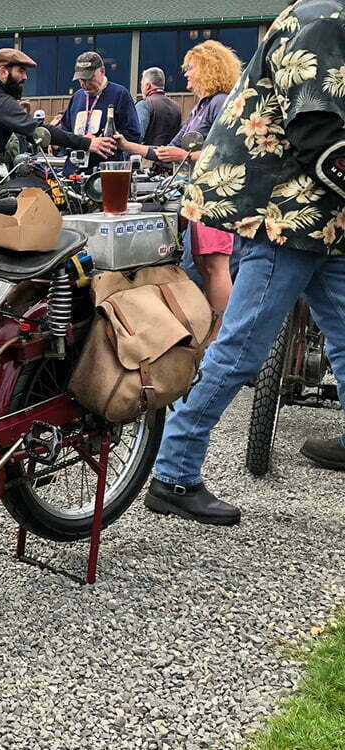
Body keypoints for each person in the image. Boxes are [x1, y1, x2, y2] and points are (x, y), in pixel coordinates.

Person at [145, 0, 345, 522]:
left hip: (321, 217)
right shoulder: (326, 22)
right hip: (285, 213)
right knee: (239, 351)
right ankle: (173, 475)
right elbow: (320, 136)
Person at [113, 41, 242, 314]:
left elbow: (231, 154)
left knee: (215, 265)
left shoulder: (219, 103)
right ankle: (211, 332)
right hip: (199, 195)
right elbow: (165, 151)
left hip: (217, 197)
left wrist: (184, 156)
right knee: (202, 261)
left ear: (209, 69)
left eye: (191, 69)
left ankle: (220, 334)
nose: (186, 75)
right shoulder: (199, 108)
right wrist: (127, 145)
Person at [0, 49, 115, 190]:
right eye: (21, 71)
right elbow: (37, 130)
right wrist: (87, 143)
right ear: (3, 72)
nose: (25, 77)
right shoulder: (0, 100)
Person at [59, 51, 139, 175]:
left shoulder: (119, 94)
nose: (85, 84)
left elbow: (133, 135)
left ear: (102, 71)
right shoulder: (76, 97)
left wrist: (100, 141)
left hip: (105, 173)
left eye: (90, 78)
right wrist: (73, 143)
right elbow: (65, 132)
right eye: (81, 79)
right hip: (73, 172)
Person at [135, 66, 181, 146]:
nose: (141, 88)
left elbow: (137, 135)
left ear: (147, 86)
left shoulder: (144, 105)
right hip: (171, 156)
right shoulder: (176, 106)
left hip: (147, 155)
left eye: (141, 85)